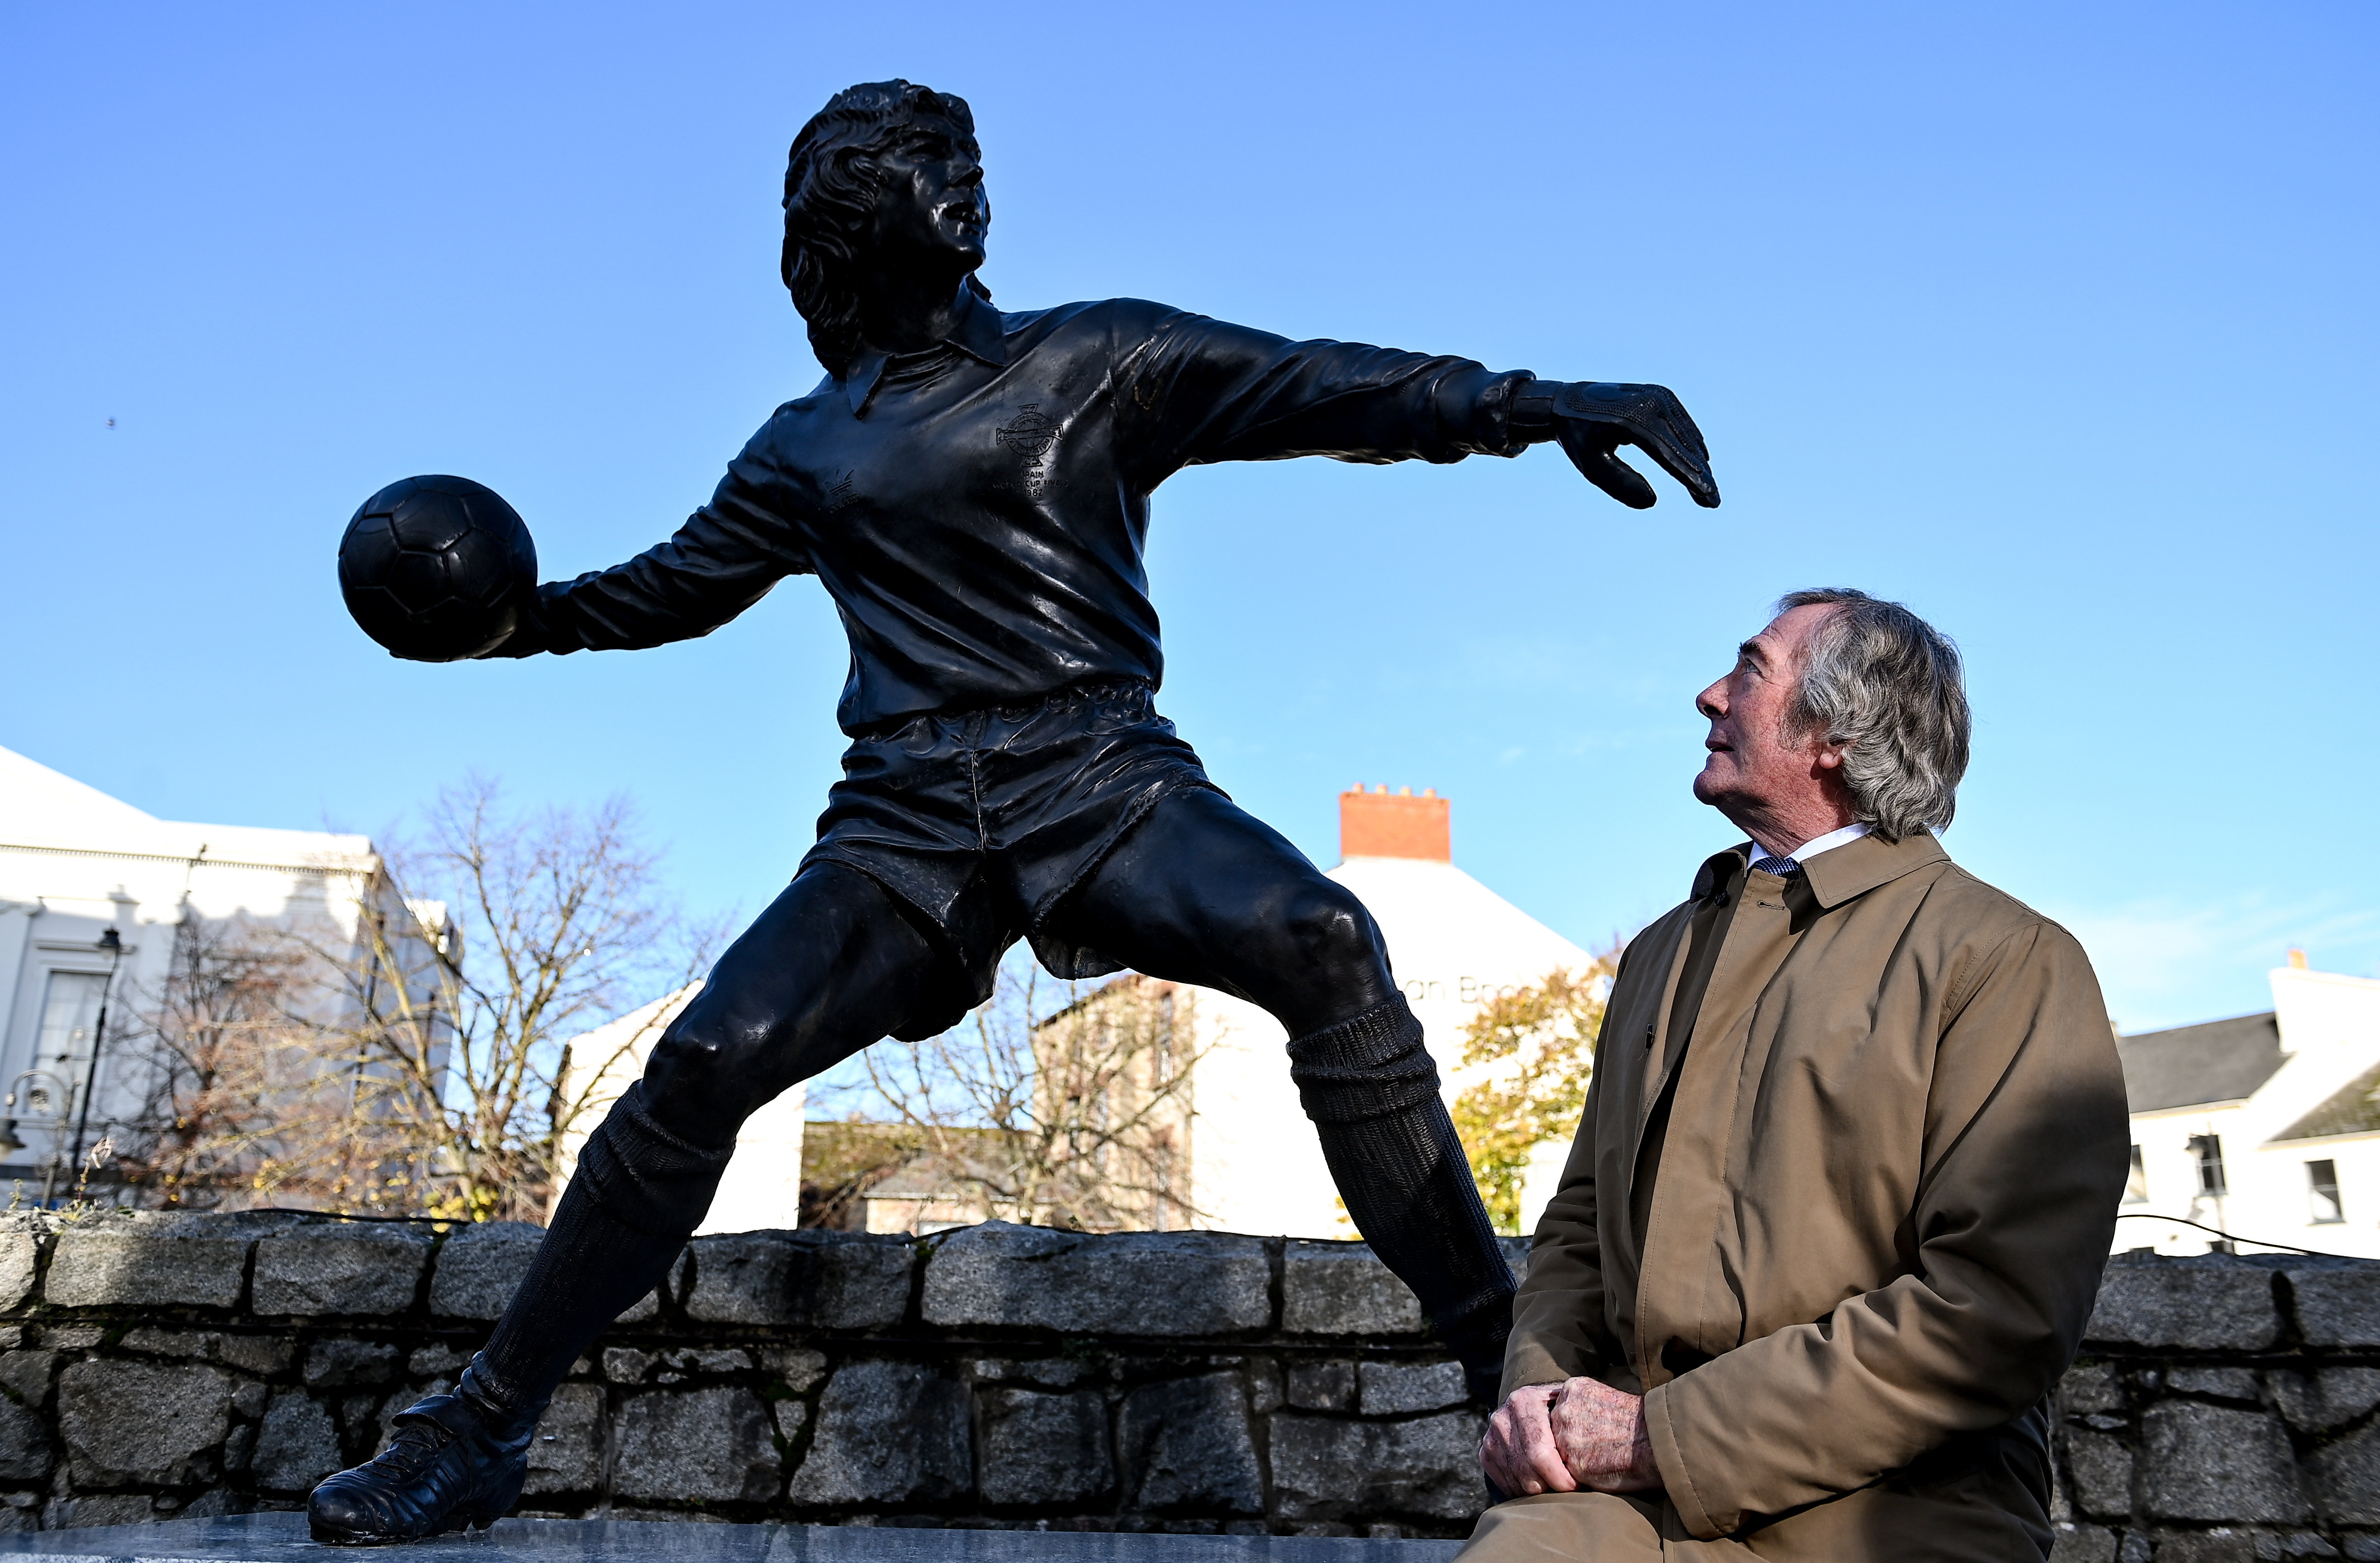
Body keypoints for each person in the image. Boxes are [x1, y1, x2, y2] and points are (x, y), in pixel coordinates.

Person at [308, 79, 1721, 1543]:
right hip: (904, 825)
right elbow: (673, 587)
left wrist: (1531, 403)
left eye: (967, 158)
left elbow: (1317, 384)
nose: (965, 183)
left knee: (1324, 935)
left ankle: (1508, 1374)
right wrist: (514, 623)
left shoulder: (1093, 356)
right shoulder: (804, 444)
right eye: (929, 163)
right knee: (710, 1053)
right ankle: (476, 1430)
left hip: (1101, 775)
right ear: (857, 206)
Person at [1469, 590, 2127, 1561]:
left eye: (1748, 670)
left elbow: (1997, 1308)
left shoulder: (2003, 958)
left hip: (1899, 1508)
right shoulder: (1657, 953)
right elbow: (1577, 1227)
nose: (1707, 695)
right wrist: (1543, 1402)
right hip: (1604, 1505)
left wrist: (1668, 1436)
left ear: (1834, 731)